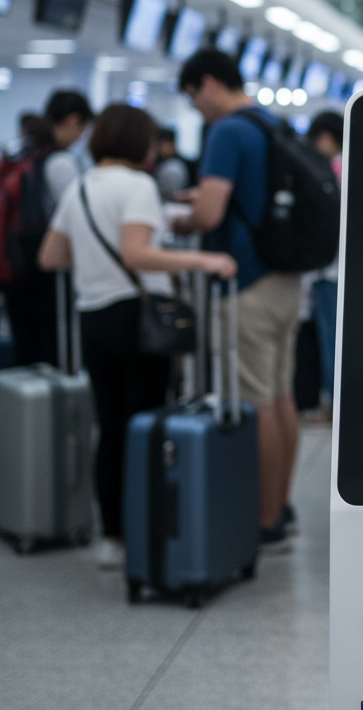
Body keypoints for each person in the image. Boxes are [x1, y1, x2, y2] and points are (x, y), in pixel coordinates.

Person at [37, 104, 236, 569]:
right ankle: (149, 526)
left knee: (109, 428)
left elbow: (51, 257)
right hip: (137, 320)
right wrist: (203, 262)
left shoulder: (81, 186)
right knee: (147, 426)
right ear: (140, 144)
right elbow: (137, 253)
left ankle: (113, 537)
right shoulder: (139, 186)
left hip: (92, 318)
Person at [172, 49, 302, 550]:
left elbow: (209, 216)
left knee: (255, 402)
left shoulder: (226, 131)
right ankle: (281, 503)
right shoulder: (272, 123)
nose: (195, 108)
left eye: (192, 97)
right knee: (282, 395)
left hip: (245, 282)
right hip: (287, 280)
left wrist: (181, 218)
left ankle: (263, 519)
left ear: (207, 83)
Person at [0, 114, 57, 365]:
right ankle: (43, 402)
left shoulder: (12, 165)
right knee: (47, 345)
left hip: (11, 267)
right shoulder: (45, 164)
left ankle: (23, 402)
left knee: (22, 343)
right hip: (37, 267)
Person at [306, 111, 344, 409]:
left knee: (331, 340)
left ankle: (333, 405)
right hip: (343, 268)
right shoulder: (358, 164)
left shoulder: (332, 169)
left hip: (328, 269)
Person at [43, 90, 94, 207]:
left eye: (56, 127)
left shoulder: (90, 147)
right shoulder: (83, 147)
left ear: (73, 120)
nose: (54, 135)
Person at [153, 127, 191, 201]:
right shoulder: (161, 163)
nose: (158, 148)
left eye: (161, 144)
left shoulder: (172, 167)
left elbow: (169, 195)